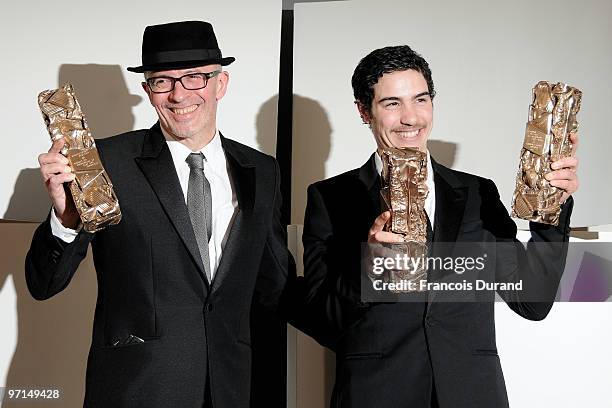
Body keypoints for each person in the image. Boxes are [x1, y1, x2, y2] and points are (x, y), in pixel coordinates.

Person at [26, 21, 298, 407]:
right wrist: (66, 220)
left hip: (230, 389)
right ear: (148, 91)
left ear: (221, 84)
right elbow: (44, 284)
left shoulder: (262, 170)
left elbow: (276, 285)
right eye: (163, 82)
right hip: (137, 388)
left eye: (194, 78)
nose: (179, 94)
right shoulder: (103, 162)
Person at [302, 45, 579, 408]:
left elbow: (533, 301)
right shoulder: (331, 197)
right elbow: (325, 320)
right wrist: (370, 266)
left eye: (421, 100)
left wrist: (552, 209)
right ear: (363, 111)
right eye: (392, 104)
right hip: (377, 395)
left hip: (471, 394)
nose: (411, 118)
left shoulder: (478, 192)